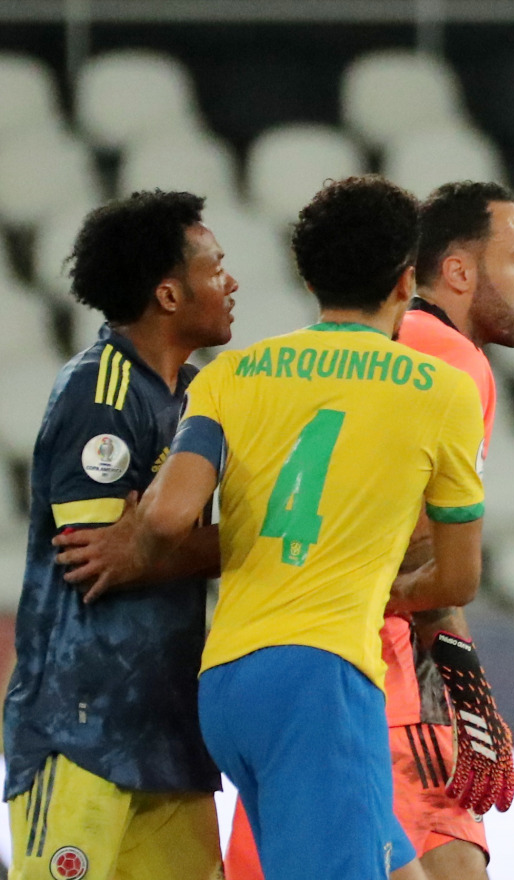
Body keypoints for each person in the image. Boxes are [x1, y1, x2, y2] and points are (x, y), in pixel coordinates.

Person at [55, 175, 487, 880]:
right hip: (325, 677)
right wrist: (376, 582)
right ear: (406, 280)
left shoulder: (232, 375)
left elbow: (165, 517)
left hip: (227, 683)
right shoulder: (442, 391)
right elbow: (459, 577)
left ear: (307, 275)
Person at [222, 180, 514, 880]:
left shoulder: (288, 362)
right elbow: (421, 539)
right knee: (450, 861)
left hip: (269, 668)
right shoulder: (448, 362)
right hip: (378, 677)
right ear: (453, 272)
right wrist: (462, 680)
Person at [3, 190, 236, 880]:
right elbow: (105, 559)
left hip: (170, 736)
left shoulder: (203, 395)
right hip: (82, 731)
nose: (233, 281)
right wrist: (247, 543)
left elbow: (151, 547)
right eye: (216, 267)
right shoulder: (98, 392)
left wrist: (177, 541)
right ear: (169, 293)